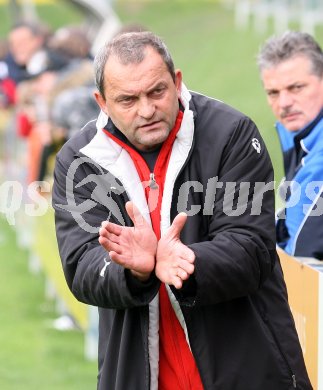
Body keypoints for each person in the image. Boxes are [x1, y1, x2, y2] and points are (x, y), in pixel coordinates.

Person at [52, 31, 312, 389]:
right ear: (102, 102)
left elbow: (251, 247)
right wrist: (133, 272)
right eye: (128, 99)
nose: (146, 110)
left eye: (156, 92)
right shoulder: (78, 160)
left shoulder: (230, 133)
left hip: (247, 369)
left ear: (177, 81)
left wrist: (186, 261)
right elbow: (81, 265)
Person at [257, 31, 323, 260]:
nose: (283, 103)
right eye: (273, 93)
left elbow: (305, 261)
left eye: (296, 88)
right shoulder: (301, 137)